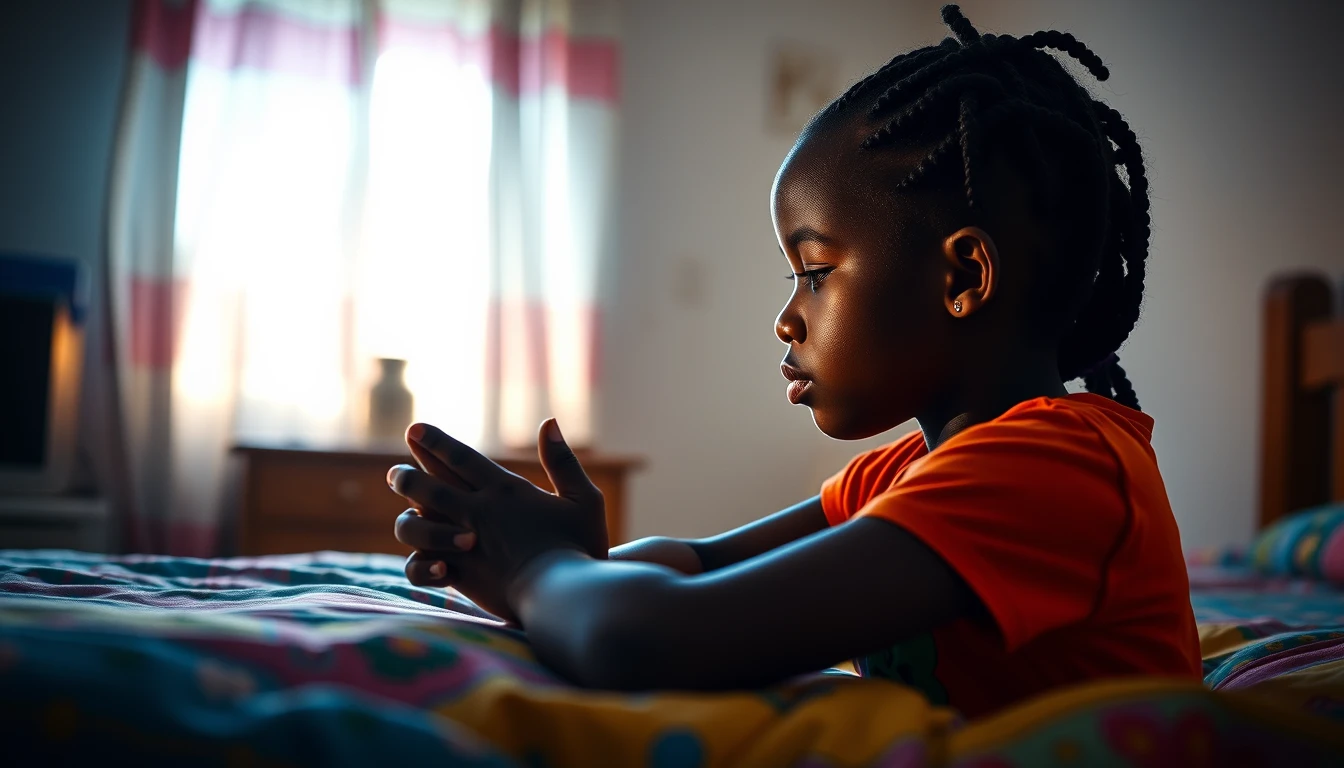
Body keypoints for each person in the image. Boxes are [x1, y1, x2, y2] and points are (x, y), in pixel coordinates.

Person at [386, 5, 1202, 719]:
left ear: (961, 278)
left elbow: (650, 638)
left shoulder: (1059, 469)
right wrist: (569, 562)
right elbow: (701, 565)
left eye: (815, 272)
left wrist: (543, 575)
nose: (786, 319)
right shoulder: (900, 476)